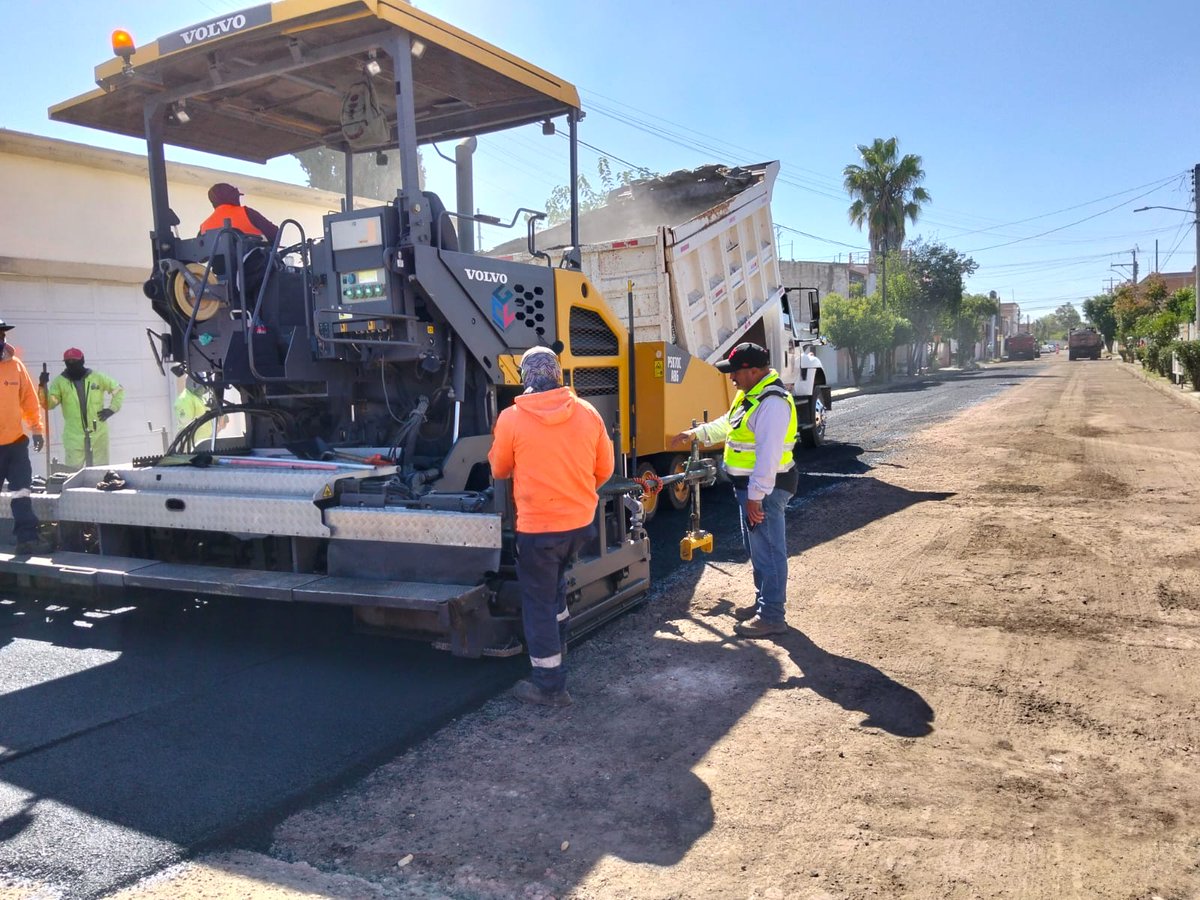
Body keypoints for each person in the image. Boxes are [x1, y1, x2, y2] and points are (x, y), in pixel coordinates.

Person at [488, 346, 614, 708]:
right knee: (555, 590)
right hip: (579, 526)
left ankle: (549, 686)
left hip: (539, 531)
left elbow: (498, 469)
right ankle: (560, 648)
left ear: (526, 376)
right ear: (558, 374)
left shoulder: (512, 418)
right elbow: (603, 469)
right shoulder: (588, 413)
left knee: (539, 603)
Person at [669, 342, 798, 638]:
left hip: (767, 488)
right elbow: (729, 424)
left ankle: (772, 615)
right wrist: (697, 433)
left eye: (736, 372)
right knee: (757, 550)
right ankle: (762, 604)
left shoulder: (773, 403)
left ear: (754, 370)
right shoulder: (750, 396)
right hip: (752, 488)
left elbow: (767, 456)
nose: (732, 378)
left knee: (769, 551)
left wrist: (756, 497)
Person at [0, 318, 49, 555]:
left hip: (16, 444)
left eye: (2, 335)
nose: (1, 339)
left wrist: (36, 429)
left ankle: (27, 540)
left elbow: (29, 399)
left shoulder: (16, 365)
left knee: (21, 491)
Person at [45, 348, 124, 469]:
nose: (71, 364)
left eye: (74, 361)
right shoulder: (60, 382)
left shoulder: (97, 378)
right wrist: (42, 387)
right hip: (74, 436)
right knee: (73, 473)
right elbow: (49, 404)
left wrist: (112, 409)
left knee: (100, 471)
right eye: (68, 361)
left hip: (98, 434)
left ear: (82, 361)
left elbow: (118, 390)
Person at [199, 182, 279, 243]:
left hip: (218, 265)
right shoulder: (247, 213)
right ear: (234, 197)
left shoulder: (204, 227)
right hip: (253, 263)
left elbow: (201, 255)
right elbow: (274, 233)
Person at [175, 377, 227, 446]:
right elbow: (187, 427)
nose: (204, 388)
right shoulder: (184, 400)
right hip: (193, 446)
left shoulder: (199, 398)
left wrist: (220, 420)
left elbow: (207, 417)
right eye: (202, 385)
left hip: (205, 443)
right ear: (194, 385)